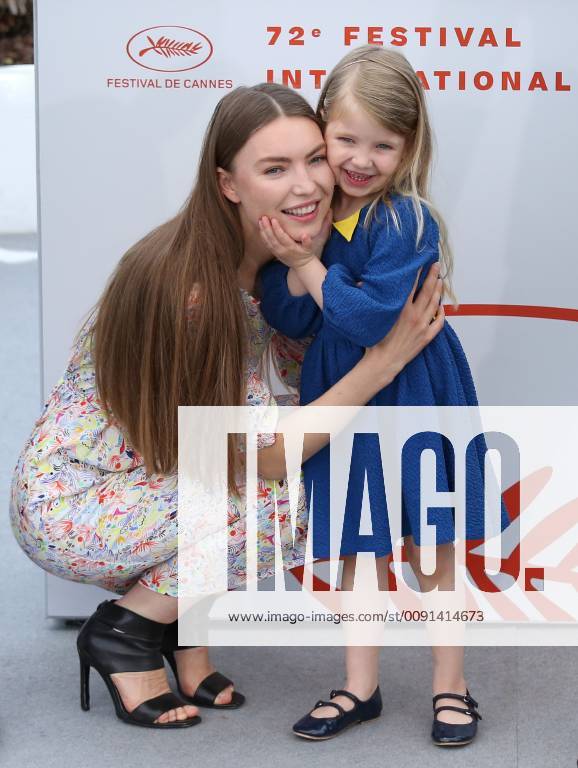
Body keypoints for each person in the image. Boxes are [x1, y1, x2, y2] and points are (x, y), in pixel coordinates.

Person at [9, 82, 444, 730]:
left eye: (314, 159)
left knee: (279, 460)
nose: (308, 185)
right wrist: (385, 361)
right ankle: (126, 633)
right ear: (229, 184)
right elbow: (263, 458)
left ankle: (182, 637)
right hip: (77, 504)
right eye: (275, 168)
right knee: (296, 494)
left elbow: (216, 444)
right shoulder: (194, 288)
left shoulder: (294, 262)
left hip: (156, 477)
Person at [258, 47, 509, 746]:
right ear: (321, 133)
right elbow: (297, 315)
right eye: (345, 140)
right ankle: (359, 685)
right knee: (359, 548)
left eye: (383, 144)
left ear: (409, 146)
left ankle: (450, 685)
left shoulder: (405, 220)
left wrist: (307, 262)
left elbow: (369, 320)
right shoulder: (322, 214)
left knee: (434, 548)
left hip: (417, 395)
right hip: (347, 398)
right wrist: (292, 255)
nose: (361, 159)